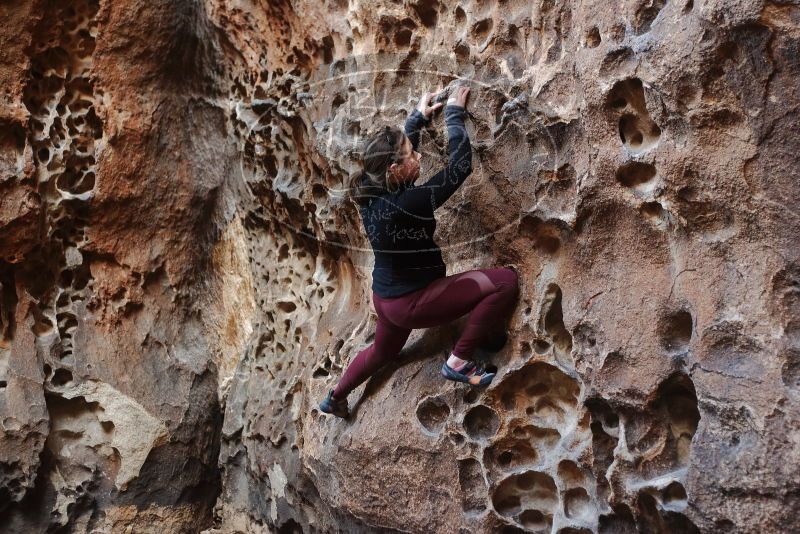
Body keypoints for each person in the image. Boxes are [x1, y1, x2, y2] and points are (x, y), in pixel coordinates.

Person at [319, 84, 520, 418]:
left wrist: (416, 119)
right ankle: (459, 360)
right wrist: (454, 114)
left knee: (381, 352)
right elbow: (458, 169)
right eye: (413, 155)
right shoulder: (407, 204)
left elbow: (399, 164)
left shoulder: (372, 193)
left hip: (385, 298)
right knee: (504, 283)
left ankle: (336, 397)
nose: (420, 157)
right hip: (413, 302)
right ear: (395, 171)